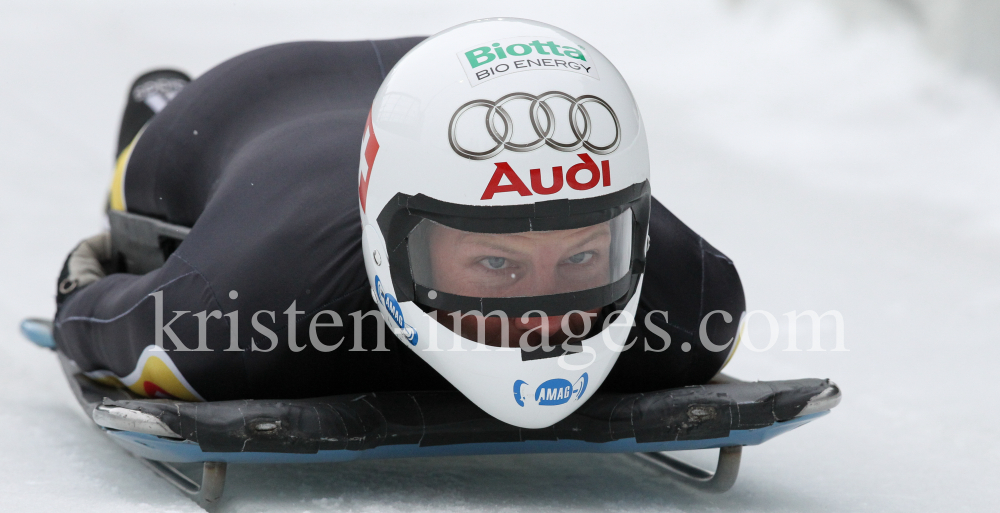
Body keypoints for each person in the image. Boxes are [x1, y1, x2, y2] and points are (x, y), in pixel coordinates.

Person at [53, 20, 745, 427]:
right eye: (497, 265)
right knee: (139, 172)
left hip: (466, 91)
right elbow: (93, 321)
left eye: (582, 259)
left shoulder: (693, 296)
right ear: (397, 250)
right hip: (249, 101)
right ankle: (158, 103)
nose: (544, 324)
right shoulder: (241, 307)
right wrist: (107, 267)